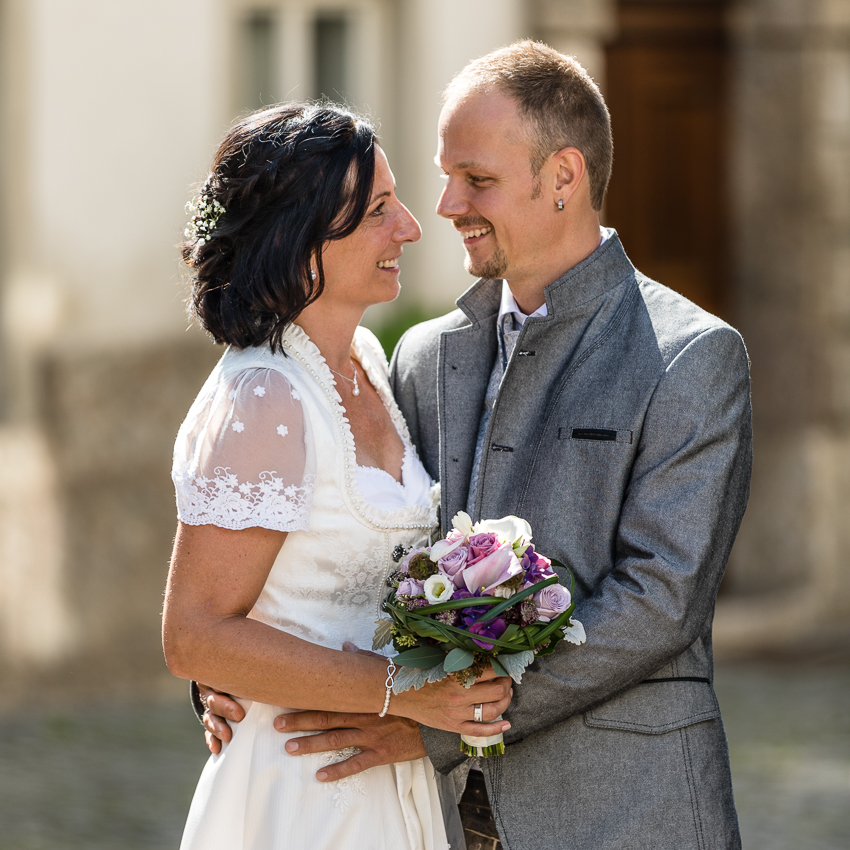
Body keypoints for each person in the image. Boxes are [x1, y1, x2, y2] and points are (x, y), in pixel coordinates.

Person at [200, 42, 752, 850]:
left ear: (563, 178)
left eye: (478, 180)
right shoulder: (421, 357)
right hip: (435, 818)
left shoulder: (691, 356)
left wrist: (439, 725)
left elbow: (659, 602)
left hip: (628, 812)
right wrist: (235, 675)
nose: (447, 204)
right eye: (446, 173)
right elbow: (362, 542)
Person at [162, 101, 513, 850]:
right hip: (303, 790)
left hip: (387, 778)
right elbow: (195, 635)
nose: (410, 228)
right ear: (301, 240)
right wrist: (411, 691)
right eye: (379, 211)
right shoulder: (265, 395)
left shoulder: (368, 365)